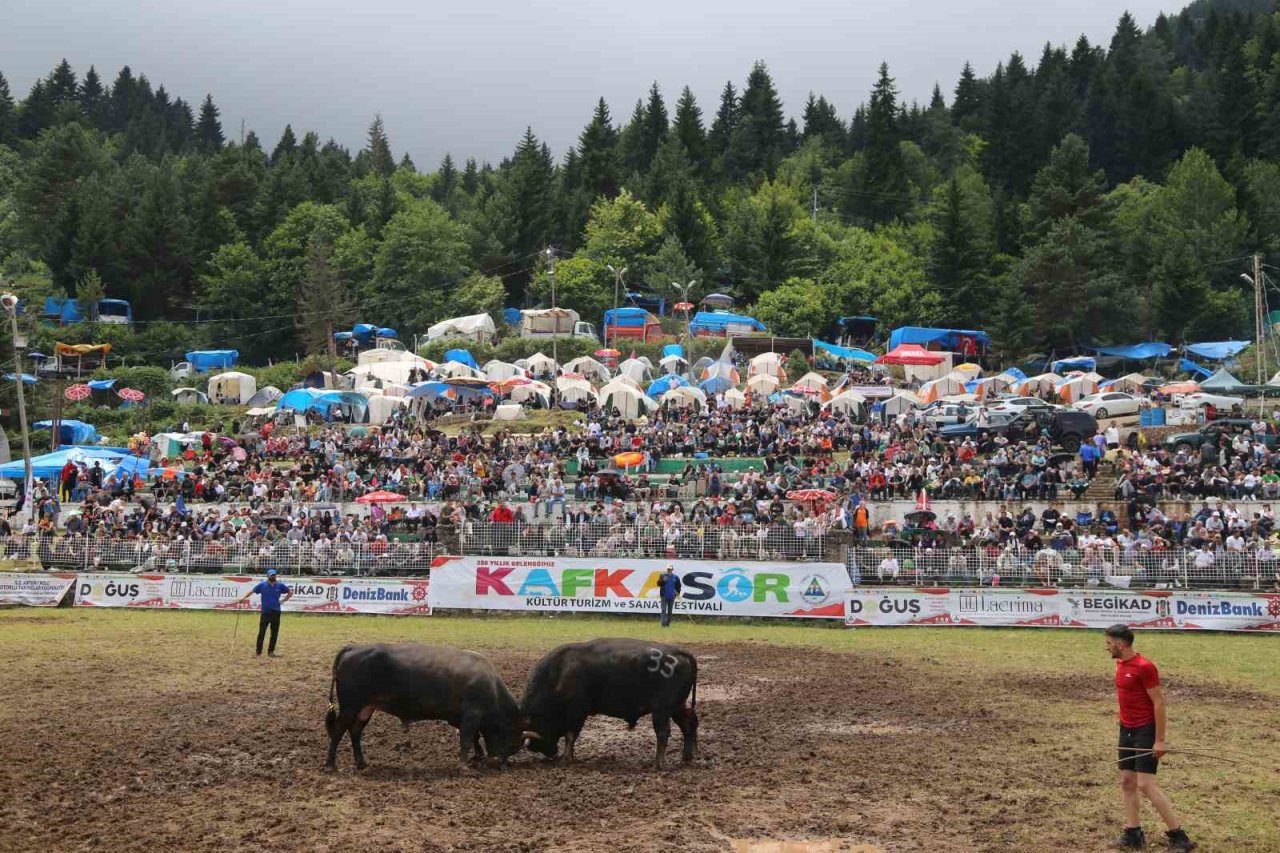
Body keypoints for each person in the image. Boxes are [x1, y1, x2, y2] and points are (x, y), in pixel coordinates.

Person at [1105, 624, 1196, 851]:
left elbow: (1159, 702)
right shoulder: (1120, 665)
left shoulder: (1145, 667)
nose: (1106, 647)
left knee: (1145, 784)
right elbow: (1128, 696)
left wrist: (1160, 739)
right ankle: (1133, 832)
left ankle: (1179, 836)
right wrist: (1122, 717)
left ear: (1120, 644)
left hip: (1145, 731)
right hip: (1126, 730)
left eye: (1108, 643)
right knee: (1127, 782)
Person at [238, 569, 293, 657]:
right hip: (265, 612)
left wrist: (283, 601)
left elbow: (290, 592)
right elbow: (252, 591)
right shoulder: (262, 585)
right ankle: (258, 652)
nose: (273, 576)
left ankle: (271, 652)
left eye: (274, 575)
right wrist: (243, 598)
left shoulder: (280, 585)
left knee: (274, 633)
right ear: (267, 576)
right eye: (271, 575)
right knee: (261, 632)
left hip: (276, 611)